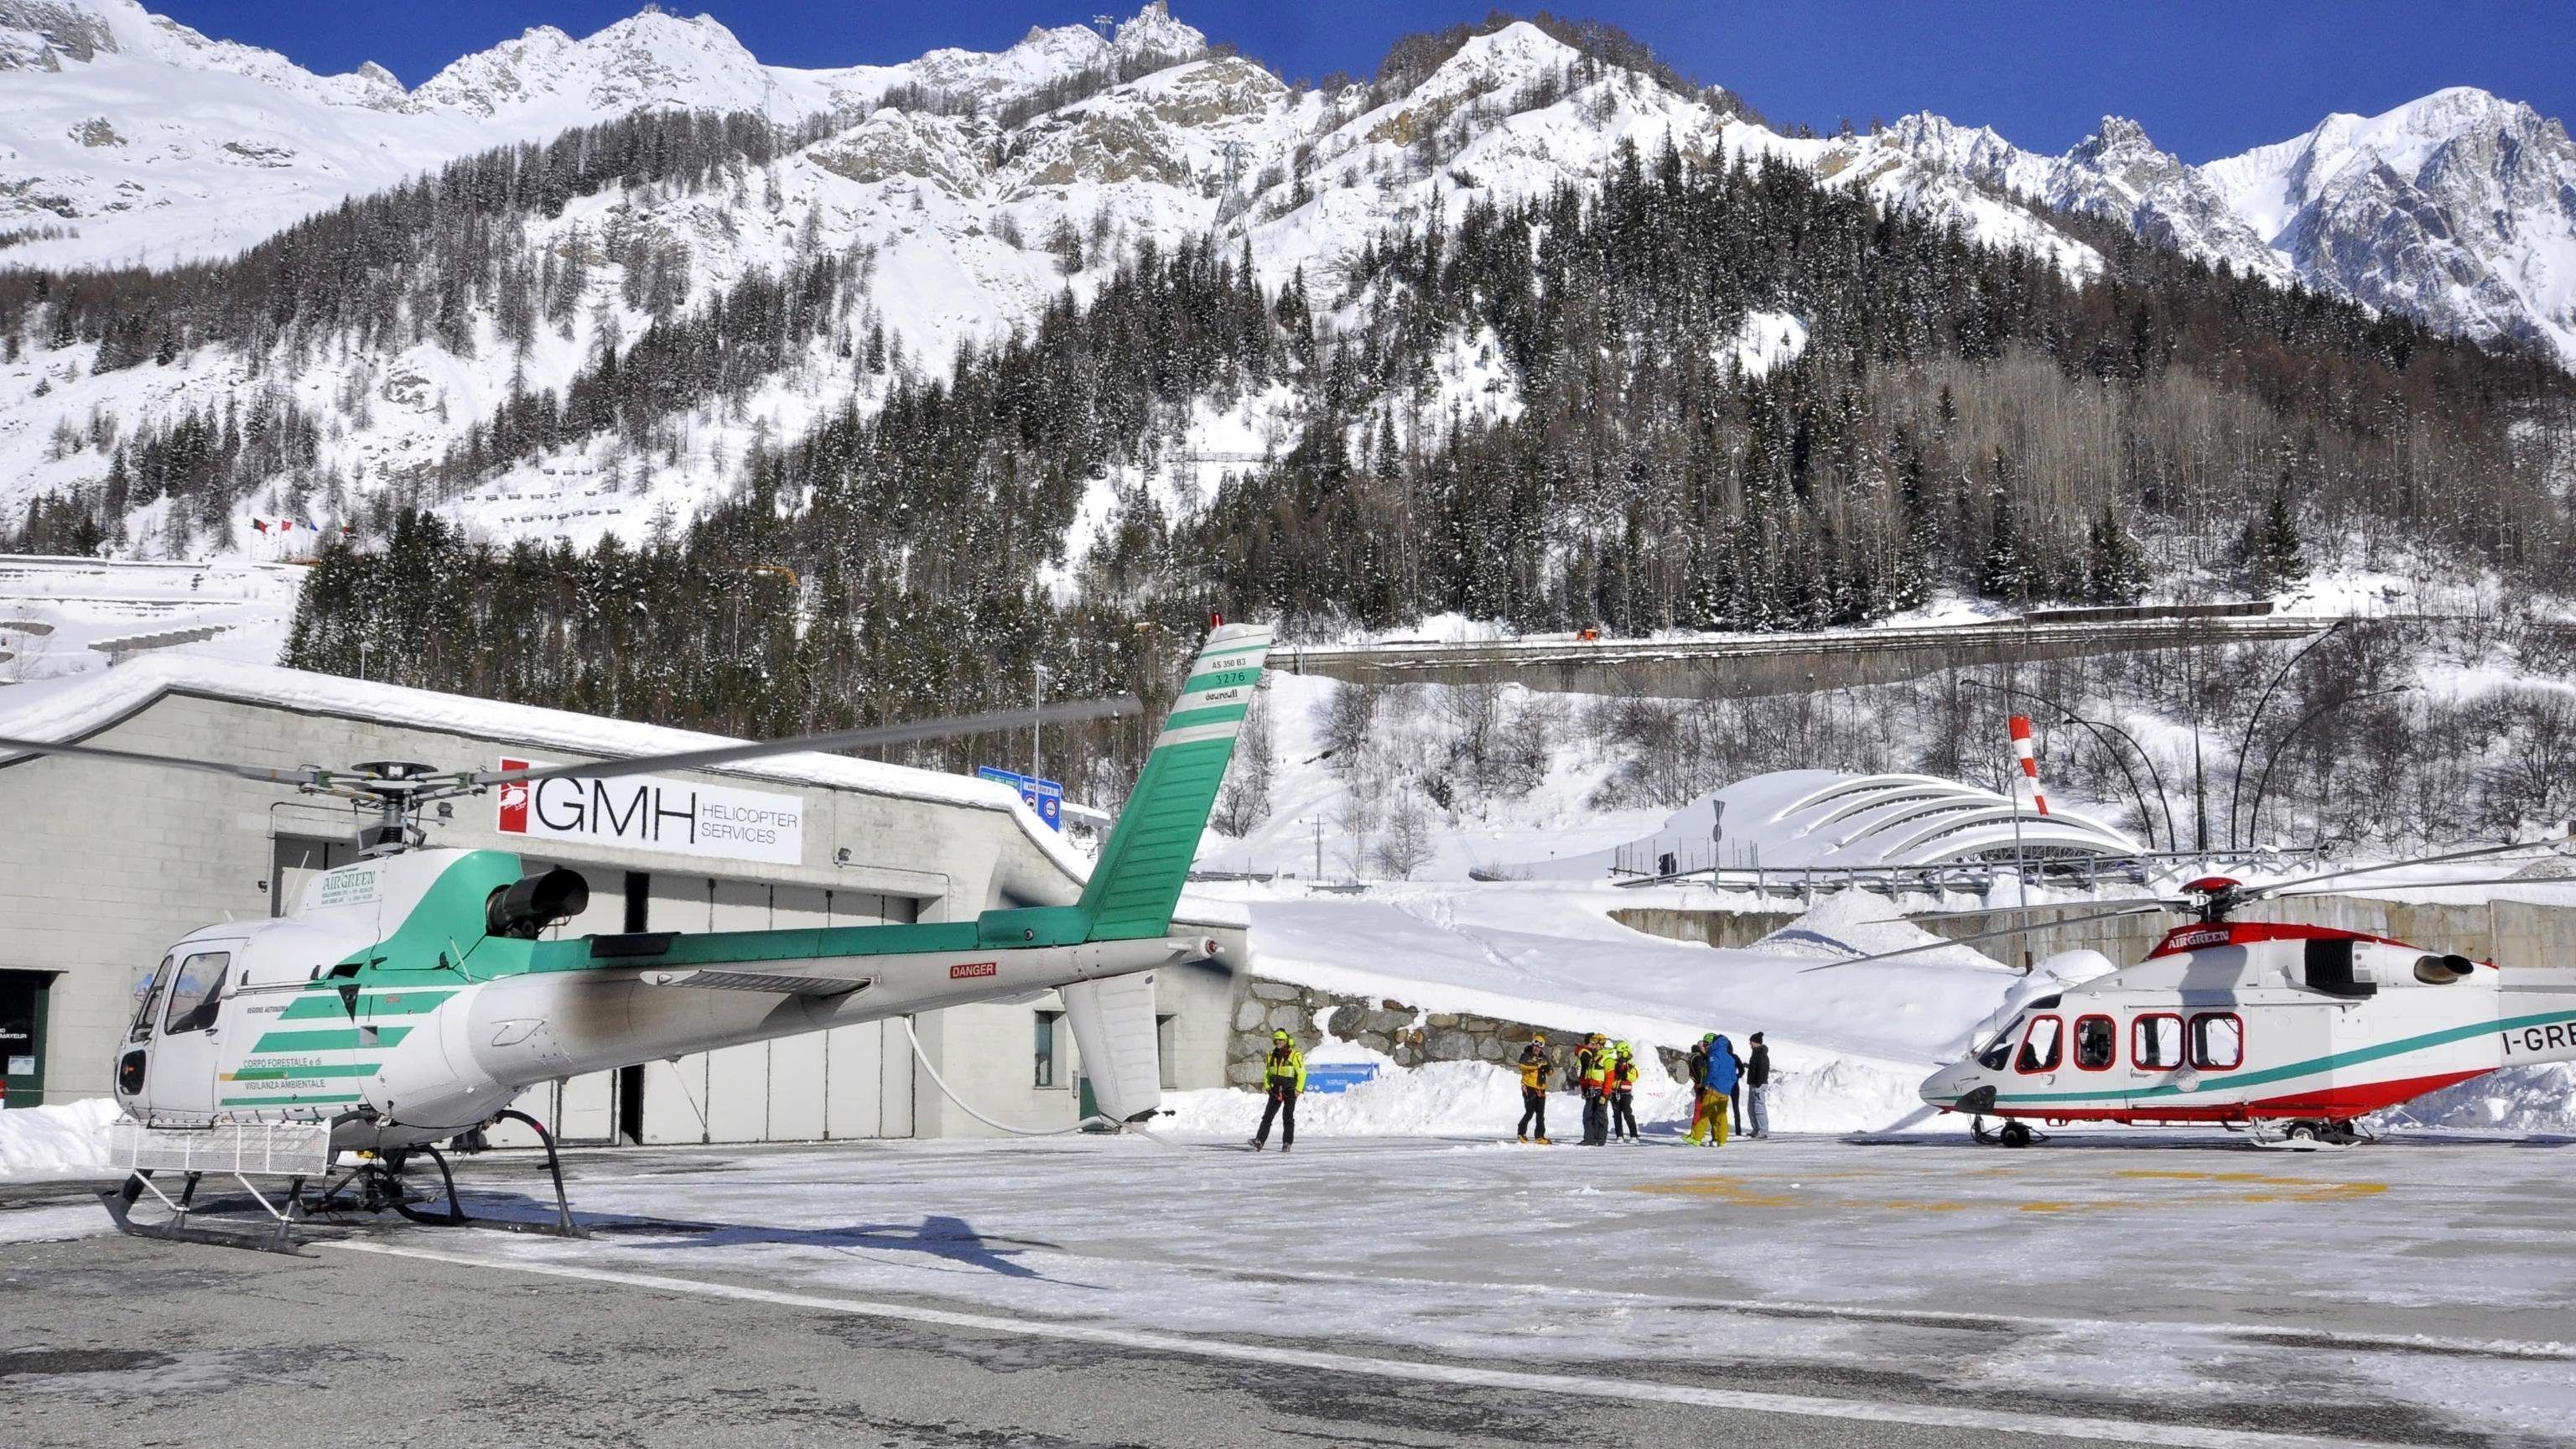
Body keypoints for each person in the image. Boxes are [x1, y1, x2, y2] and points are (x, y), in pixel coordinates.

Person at [1250, 1029, 1305, 1152]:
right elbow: (1267, 1072)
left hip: (1290, 1089)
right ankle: (1259, 1141)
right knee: (1267, 1117)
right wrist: (1268, 1086)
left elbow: (1302, 1073)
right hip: (1275, 1089)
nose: (1278, 1042)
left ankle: (1287, 1143)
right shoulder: (1272, 1055)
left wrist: (1298, 1090)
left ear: (1286, 1041)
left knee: (1288, 1117)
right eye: (1276, 1040)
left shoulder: (1295, 1055)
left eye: (1281, 1040)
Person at [1514, 1035, 1553, 1144]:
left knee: (1540, 1113)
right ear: (1532, 1045)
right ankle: (1521, 1132)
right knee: (1530, 1111)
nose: (1537, 1048)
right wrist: (1537, 1065)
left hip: (1541, 1088)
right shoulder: (1526, 1055)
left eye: (1539, 1047)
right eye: (1535, 1046)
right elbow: (1522, 1066)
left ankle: (1540, 1136)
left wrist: (1547, 1068)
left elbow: (1550, 1072)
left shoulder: (1544, 1058)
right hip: (1529, 1086)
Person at [1576, 1032, 1611, 1146]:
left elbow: (1610, 1078)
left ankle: (1601, 1139)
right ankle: (1589, 1139)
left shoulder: (1608, 1058)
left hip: (1601, 1090)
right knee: (1588, 1115)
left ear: (1601, 1044)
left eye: (1595, 1043)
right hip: (1591, 1090)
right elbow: (1587, 1076)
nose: (1593, 1045)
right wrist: (1584, 1090)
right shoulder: (1593, 1057)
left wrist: (1605, 1095)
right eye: (1592, 1042)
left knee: (1600, 1116)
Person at [1685, 1032, 1718, 1145]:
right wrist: (1703, 1083)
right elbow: (1700, 1073)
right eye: (1705, 1047)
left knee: (1703, 1110)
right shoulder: (1698, 1057)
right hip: (1701, 1085)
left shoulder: (1697, 1056)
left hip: (1701, 1085)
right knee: (1700, 1110)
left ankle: (1698, 1133)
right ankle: (1696, 1133)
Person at [1609, 1041, 1641, 1143]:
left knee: (1627, 1114)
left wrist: (1625, 1074)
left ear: (1625, 1052)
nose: (1617, 1054)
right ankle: (1619, 1135)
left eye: (1619, 1052)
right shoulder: (1615, 1063)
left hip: (1626, 1093)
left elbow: (1635, 1078)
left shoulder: (1631, 1065)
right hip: (1615, 1092)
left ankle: (1634, 1135)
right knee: (1617, 1114)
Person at [1745, 1031, 1772, 1140]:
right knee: (1751, 1108)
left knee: (1759, 1107)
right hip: (1753, 1084)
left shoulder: (1761, 1054)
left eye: (1751, 1042)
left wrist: (1758, 1083)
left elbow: (1763, 1069)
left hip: (1758, 1085)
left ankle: (1764, 1131)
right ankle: (1756, 1129)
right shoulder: (1756, 1053)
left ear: (1756, 1042)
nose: (1750, 1044)